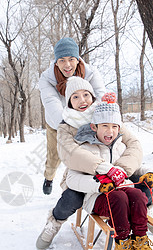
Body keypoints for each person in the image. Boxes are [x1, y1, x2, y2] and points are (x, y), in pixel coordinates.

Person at [36, 78, 145, 250]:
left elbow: (133, 144)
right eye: (75, 97)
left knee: (142, 183)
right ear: (69, 102)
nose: (82, 100)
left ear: (93, 97)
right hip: (83, 173)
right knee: (72, 198)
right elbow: (70, 153)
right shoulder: (66, 125)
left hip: (114, 170)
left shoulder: (106, 115)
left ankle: (142, 218)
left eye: (86, 95)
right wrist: (105, 168)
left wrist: (121, 169)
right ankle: (54, 223)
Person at [65, 100, 153, 250]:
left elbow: (133, 167)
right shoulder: (83, 150)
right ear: (94, 126)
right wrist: (98, 185)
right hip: (97, 196)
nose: (110, 131)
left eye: (114, 126)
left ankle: (140, 241)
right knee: (119, 199)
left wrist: (148, 174)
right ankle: (122, 246)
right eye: (105, 125)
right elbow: (71, 178)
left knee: (137, 194)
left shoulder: (120, 146)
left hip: (123, 189)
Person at [39, 37, 105, 195]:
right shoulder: (47, 79)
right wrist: (67, 123)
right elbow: (51, 102)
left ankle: (92, 183)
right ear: (56, 62)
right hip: (59, 123)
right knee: (55, 156)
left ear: (77, 59)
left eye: (71, 59)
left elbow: (100, 96)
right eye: (62, 60)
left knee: (89, 152)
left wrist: (97, 120)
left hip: (88, 120)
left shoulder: (90, 73)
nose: (67, 65)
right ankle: (49, 177)